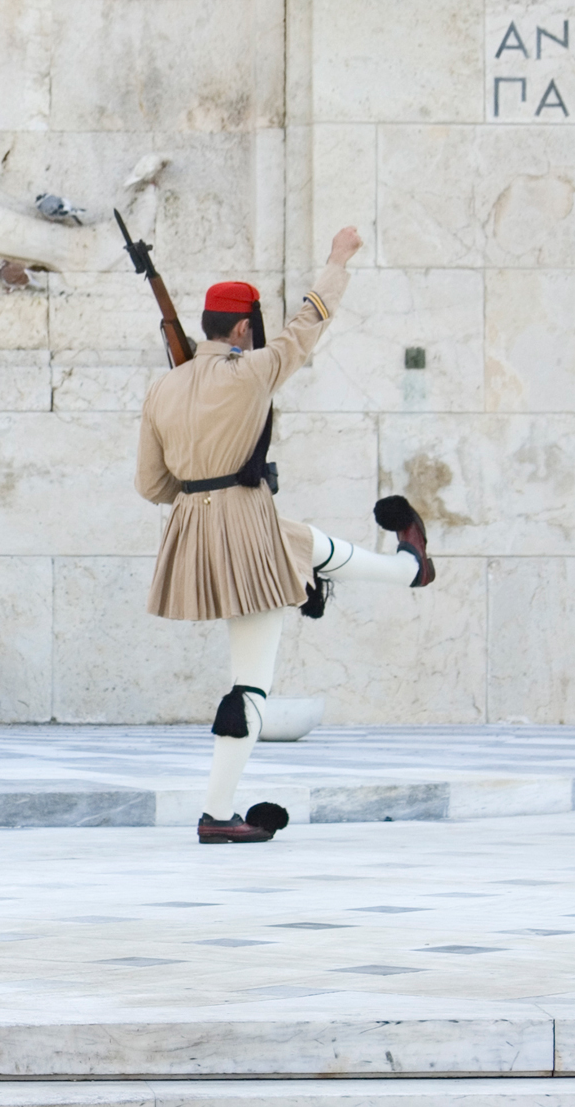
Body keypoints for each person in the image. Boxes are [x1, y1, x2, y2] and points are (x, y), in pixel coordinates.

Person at [136, 227, 436, 844]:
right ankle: (218, 815)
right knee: (250, 682)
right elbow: (309, 321)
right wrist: (336, 260)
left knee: (302, 541)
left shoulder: (162, 388)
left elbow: (151, 485)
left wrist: (202, 492)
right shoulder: (252, 373)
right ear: (244, 329)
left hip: (197, 528)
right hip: (245, 526)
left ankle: (410, 567)